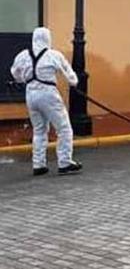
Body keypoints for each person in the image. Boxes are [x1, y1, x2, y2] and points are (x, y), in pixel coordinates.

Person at [10, 27, 83, 176]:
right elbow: (70, 75)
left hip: (30, 94)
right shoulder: (53, 55)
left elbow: (14, 73)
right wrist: (74, 83)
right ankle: (64, 162)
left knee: (39, 130)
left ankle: (38, 164)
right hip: (48, 94)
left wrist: (24, 78)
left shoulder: (23, 55)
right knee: (64, 128)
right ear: (48, 39)